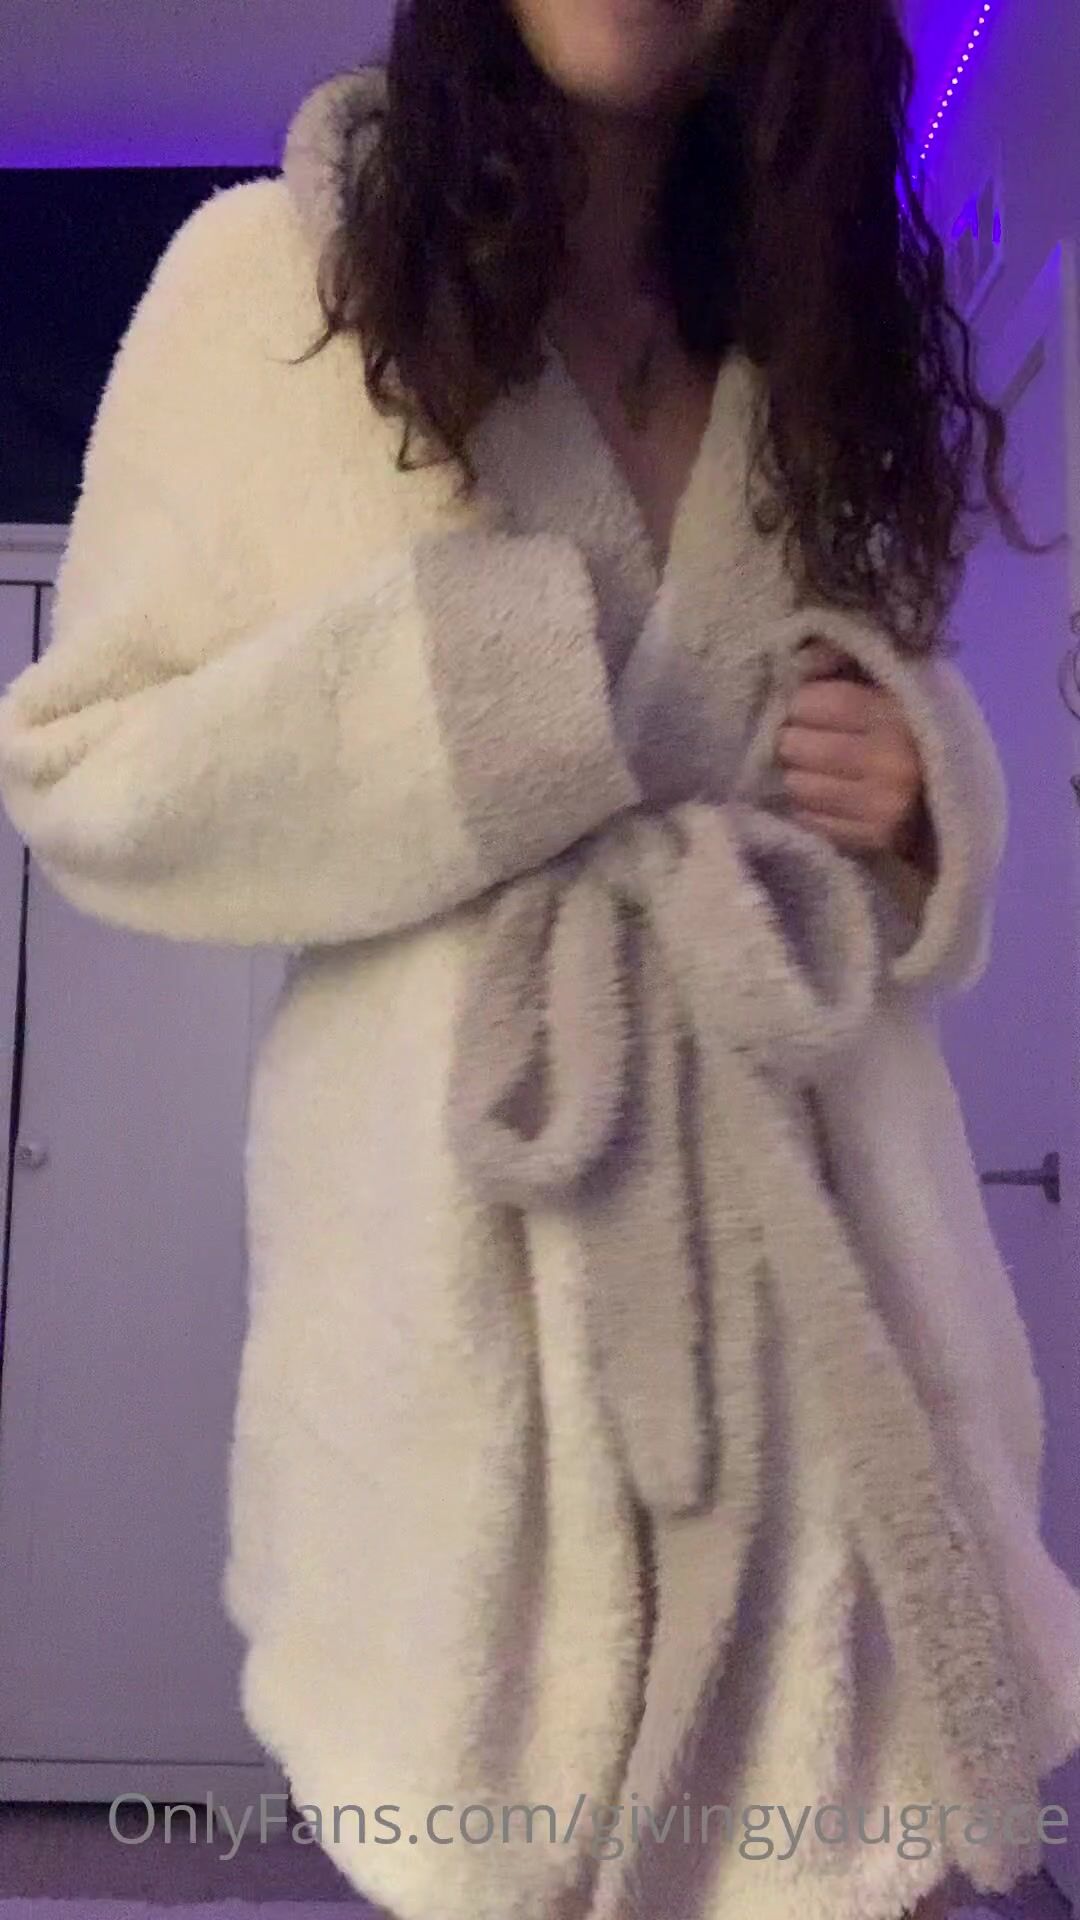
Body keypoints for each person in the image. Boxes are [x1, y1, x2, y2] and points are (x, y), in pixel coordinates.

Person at [1, 3, 1079, 1918]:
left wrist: (929, 790)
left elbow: (881, 737)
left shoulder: (815, 328)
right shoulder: (269, 287)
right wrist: (473, 705)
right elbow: (78, 764)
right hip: (479, 1364)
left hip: (835, 1333)